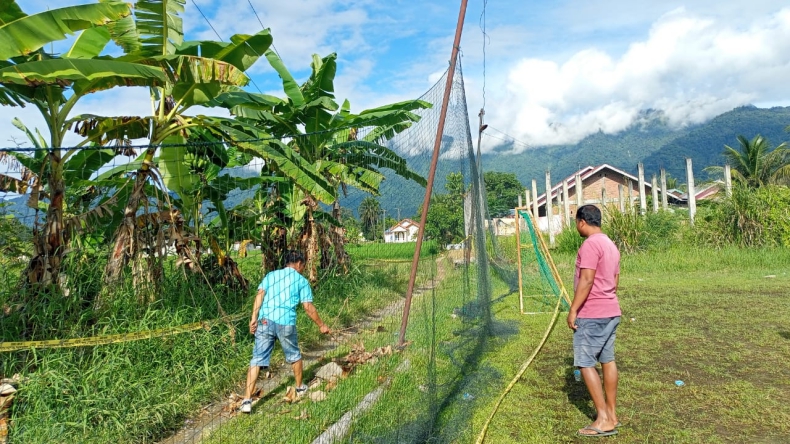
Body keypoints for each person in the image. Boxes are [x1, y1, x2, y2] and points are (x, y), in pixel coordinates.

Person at [240, 250, 330, 413]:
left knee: (257, 359)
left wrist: (253, 317)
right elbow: (308, 307)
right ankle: (300, 387)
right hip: (285, 322)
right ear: (298, 264)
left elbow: (259, 296)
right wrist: (321, 325)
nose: (303, 268)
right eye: (303, 265)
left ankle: (246, 400)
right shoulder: (301, 281)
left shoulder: (271, 275)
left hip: (265, 320)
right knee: (294, 355)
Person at [567, 205, 622, 437]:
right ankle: (612, 413)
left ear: (582, 221)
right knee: (607, 360)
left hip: (593, 313)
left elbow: (587, 280)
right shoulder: (610, 244)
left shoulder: (590, 245)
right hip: (611, 310)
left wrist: (573, 309)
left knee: (585, 362)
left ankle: (602, 419)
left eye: (576, 222)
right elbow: (616, 279)